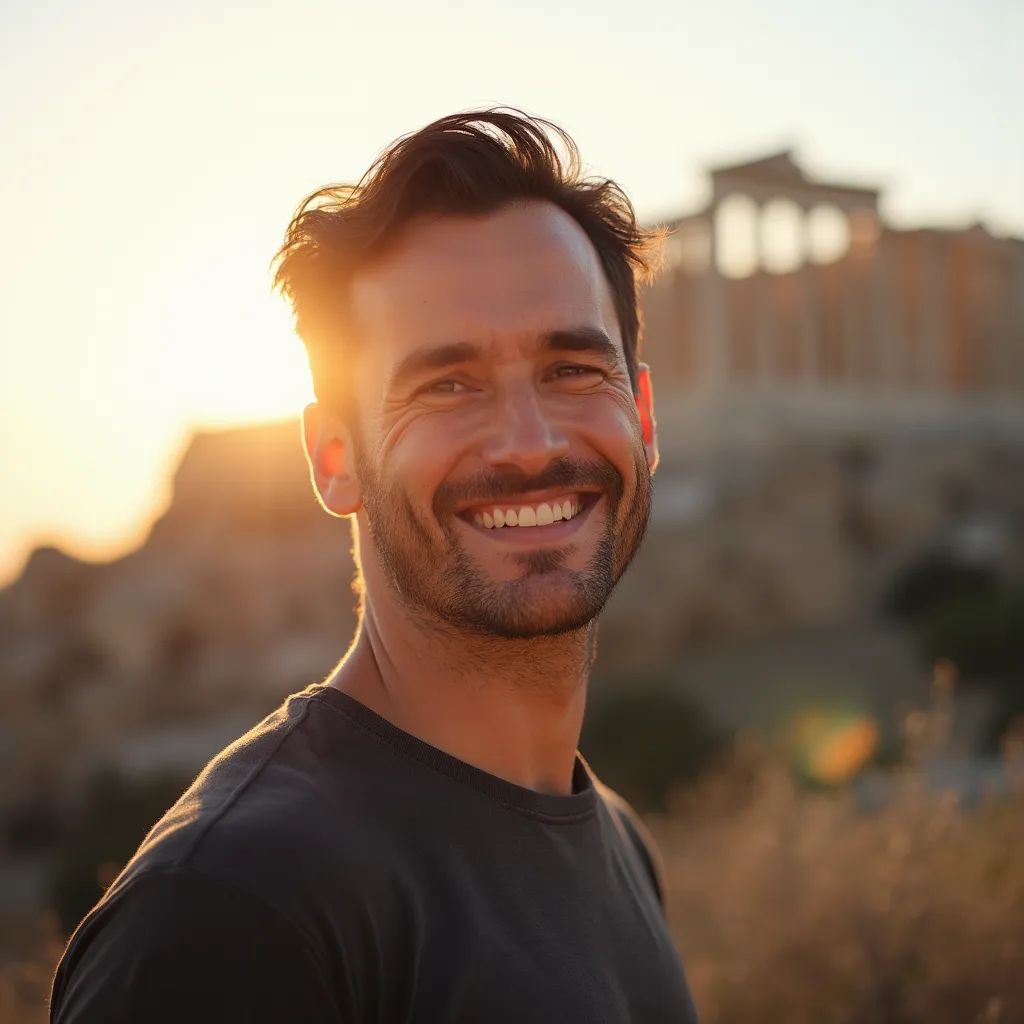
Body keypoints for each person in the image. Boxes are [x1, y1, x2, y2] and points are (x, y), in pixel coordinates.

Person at [49, 108, 700, 1023]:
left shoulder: (620, 844)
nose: (529, 443)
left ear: (644, 415)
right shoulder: (231, 914)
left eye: (571, 369)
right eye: (449, 385)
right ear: (334, 458)